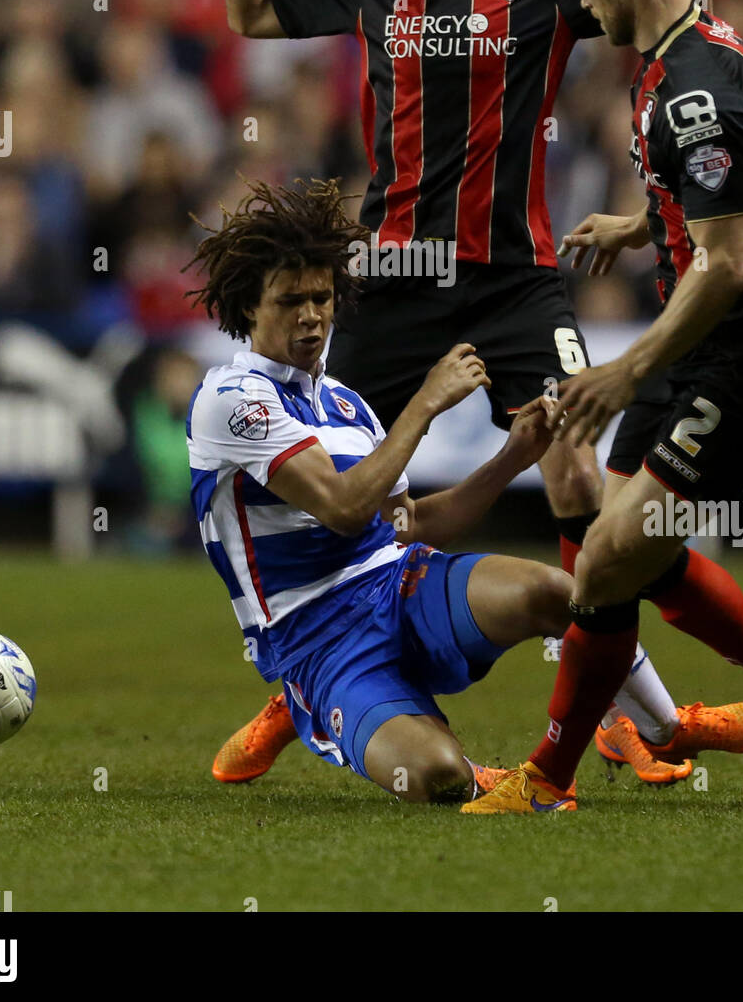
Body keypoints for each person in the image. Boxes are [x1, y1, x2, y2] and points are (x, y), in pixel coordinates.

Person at [214, 0, 743, 784]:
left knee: (579, 483)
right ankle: (300, 687)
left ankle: (626, 720)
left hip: (517, 283)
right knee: (348, 505)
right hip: (391, 284)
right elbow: (249, 10)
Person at [468, 0, 743, 814]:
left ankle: (547, 781)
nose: (582, 1)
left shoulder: (695, 95)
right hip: (699, 350)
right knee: (620, 543)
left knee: (602, 563)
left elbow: (727, 266)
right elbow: (724, 195)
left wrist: (626, 367)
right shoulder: (684, 48)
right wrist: (645, 228)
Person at [185, 177, 569, 803]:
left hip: (400, 585)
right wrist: (425, 402)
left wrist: (512, 458)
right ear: (249, 306)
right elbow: (343, 509)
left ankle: (611, 738)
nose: (311, 316)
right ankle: (311, 704)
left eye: (323, 298)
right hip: (317, 638)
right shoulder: (230, 401)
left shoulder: (346, 404)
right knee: (437, 777)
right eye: (290, 301)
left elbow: (408, 526)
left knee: (554, 593)